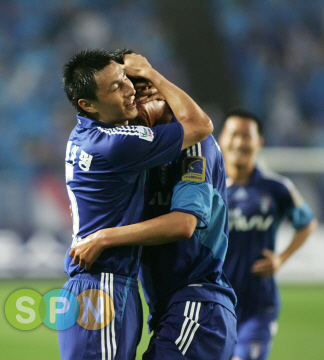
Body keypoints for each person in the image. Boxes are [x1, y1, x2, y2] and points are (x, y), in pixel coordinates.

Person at [58, 49, 213, 360]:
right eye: (116, 87)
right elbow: (200, 125)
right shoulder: (116, 143)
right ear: (87, 104)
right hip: (103, 286)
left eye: (125, 79)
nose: (129, 89)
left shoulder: (87, 133)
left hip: (108, 285)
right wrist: (154, 75)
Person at [218, 109, 317, 360]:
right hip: (215, 303)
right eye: (234, 135)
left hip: (258, 305)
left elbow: (307, 223)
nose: (239, 142)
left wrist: (280, 259)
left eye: (246, 136)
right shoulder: (206, 188)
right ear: (221, 139)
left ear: (259, 142)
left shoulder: (276, 188)